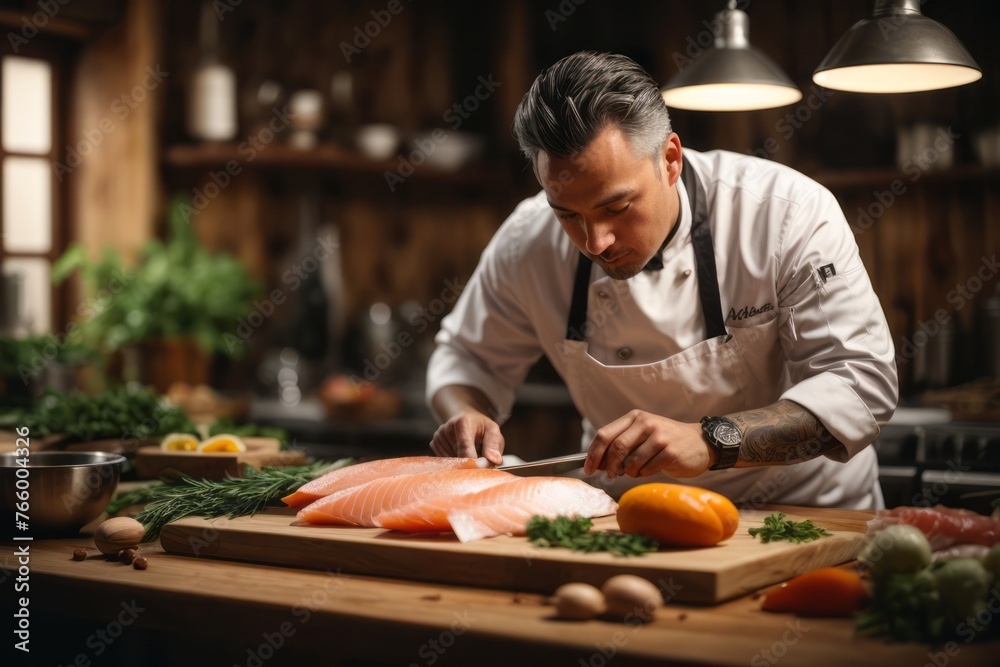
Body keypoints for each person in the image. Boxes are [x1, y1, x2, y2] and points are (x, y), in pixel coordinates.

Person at [425, 51, 898, 510]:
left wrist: (709, 440)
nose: (595, 241)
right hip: (630, 519)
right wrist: (466, 412)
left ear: (670, 159)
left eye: (616, 207)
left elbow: (859, 385)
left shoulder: (785, 212)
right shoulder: (525, 242)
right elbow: (466, 359)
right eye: (567, 214)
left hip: (806, 514)